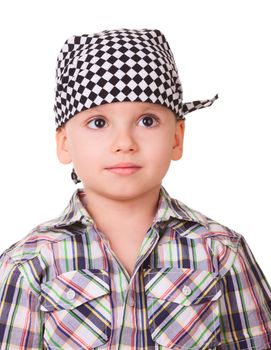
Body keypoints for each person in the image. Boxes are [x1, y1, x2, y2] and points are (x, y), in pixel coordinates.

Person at [0, 28, 270, 350]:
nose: (124, 143)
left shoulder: (221, 252)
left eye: (147, 121)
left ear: (177, 138)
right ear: (64, 144)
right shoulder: (29, 262)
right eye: (98, 123)